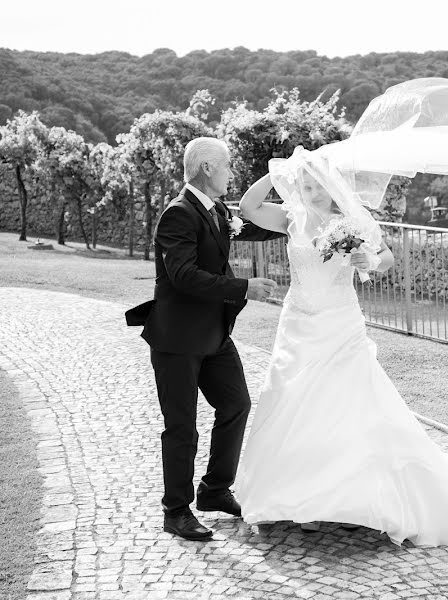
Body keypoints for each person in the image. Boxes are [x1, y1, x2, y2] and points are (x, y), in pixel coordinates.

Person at [233, 163, 448, 547]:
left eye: (315, 185)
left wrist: (368, 262)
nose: (309, 191)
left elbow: (385, 257)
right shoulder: (292, 218)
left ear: (331, 185)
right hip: (299, 324)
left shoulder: (354, 220)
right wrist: (279, 171)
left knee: (348, 402)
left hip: (340, 322)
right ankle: (299, 498)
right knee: (291, 400)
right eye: (303, 185)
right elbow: (247, 206)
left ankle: (350, 496)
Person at [125, 137, 285, 541]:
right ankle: (175, 511)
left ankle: (214, 491)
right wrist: (242, 286)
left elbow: (256, 227)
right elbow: (182, 275)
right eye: (228, 165)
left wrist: (305, 217)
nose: (232, 172)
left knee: (236, 404)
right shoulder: (178, 214)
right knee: (182, 427)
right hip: (178, 338)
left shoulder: (214, 210)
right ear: (208, 169)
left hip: (214, 335)